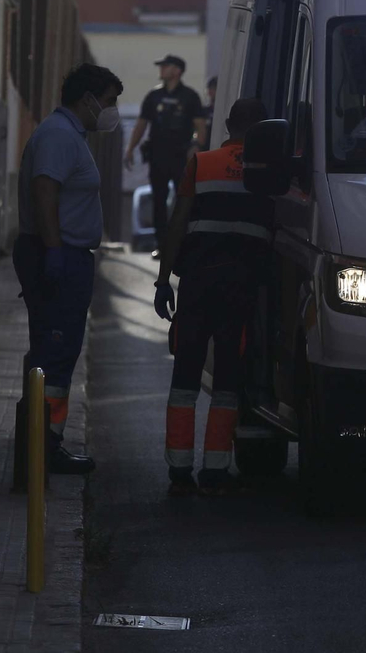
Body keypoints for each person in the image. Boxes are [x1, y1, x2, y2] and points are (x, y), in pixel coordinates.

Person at [152, 97, 274, 495]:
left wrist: (162, 280)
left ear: (227, 124)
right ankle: (217, 468)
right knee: (228, 377)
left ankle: (179, 468)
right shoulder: (271, 172)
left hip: (198, 286)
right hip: (241, 290)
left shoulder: (201, 163)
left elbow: (176, 225)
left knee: (185, 374)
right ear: (263, 130)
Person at [13, 62, 123, 486]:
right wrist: (55, 251)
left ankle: (46, 445)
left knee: (58, 354)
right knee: (54, 354)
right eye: (110, 101)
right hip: (56, 254)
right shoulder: (59, 136)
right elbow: (45, 193)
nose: (112, 111)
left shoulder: (69, 136)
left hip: (67, 255)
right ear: (88, 99)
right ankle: (41, 451)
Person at [124, 55, 208, 257]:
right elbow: (142, 124)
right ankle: (162, 245)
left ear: (177, 70)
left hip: (181, 157)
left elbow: (200, 128)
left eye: (165, 66)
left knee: (183, 201)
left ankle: (181, 244)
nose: (161, 69)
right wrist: (130, 149)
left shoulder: (190, 96)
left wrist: (196, 145)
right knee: (159, 202)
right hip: (158, 156)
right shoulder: (154, 96)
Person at [201, 76, 218, 150]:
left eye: (214, 89)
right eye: (210, 89)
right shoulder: (204, 111)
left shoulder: (226, 112)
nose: (211, 91)